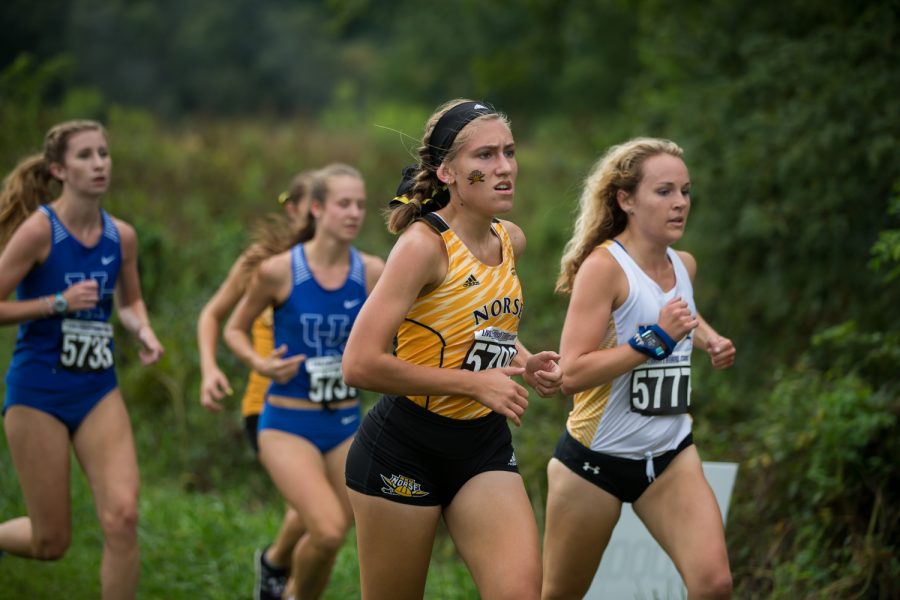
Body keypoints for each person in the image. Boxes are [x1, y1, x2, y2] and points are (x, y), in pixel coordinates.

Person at [342, 99, 562, 600]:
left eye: (508, 152)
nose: (504, 168)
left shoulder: (511, 241)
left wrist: (527, 363)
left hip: (481, 445)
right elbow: (358, 363)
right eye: (484, 156)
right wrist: (473, 383)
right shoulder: (423, 246)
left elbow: (477, 326)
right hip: (404, 449)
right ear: (447, 172)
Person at [541, 138, 736, 600]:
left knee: (715, 585)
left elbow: (679, 308)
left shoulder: (683, 264)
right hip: (595, 463)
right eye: (664, 191)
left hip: (670, 455)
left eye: (685, 192)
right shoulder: (604, 269)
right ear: (626, 199)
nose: (680, 204)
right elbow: (572, 373)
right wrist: (655, 341)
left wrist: (708, 338)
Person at [0, 120, 164, 599]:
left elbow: (129, 304)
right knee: (50, 542)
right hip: (38, 393)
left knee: (123, 516)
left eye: (104, 154)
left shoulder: (122, 237)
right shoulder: (38, 231)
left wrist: (144, 331)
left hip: (97, 390)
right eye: (85, 156)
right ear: (58, 169)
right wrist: (56, 302)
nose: (99, 164)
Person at [224, 163, 384, 600]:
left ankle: (287, 588)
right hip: (287, 425)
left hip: (346, 426)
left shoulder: (371, 271)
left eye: (360, 205)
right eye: (343, 204)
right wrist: (259, 362)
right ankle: (280, 576)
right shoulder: (278, 271)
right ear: (316, 208)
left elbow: (400, 332)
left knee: (333, 530)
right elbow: (233, 328)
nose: (354, 213)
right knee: (328, 529)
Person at [197, 170, 314, 600]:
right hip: (266, 407)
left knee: (321, 517)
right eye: (314, 205)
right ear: (294, 210)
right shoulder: (263, 263)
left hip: (329, 411)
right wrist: (211, 368)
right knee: (315, 513)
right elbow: (213, 316)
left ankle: (279, 568)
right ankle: (276, 565)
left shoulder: (350, 266)